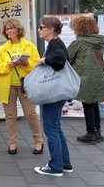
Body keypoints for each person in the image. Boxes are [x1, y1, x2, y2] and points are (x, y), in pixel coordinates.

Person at [0, 19, 43, 155]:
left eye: (12, 28)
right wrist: (8, 65)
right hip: (7, 87)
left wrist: (26, 64)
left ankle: (38, 141)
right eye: (7, 29)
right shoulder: (2, 49)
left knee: (31, 114)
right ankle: (12, 143)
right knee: (10, 116)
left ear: (18, 29)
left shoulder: (29, 46)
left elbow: (37, 64)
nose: (10, 31)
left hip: (25, 84)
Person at [34, 17, 73, 177]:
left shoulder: (55, 44)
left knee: (50, 129)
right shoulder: (56, 43)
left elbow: (60, 59)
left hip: (53, 93)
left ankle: (55, 166)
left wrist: (43, 60)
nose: (39, 30)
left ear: (51, 30)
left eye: (41, 27)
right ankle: (64, 164)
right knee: (56, 128)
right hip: (58, 92)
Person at [67, 16, 104, 144]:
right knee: (94, 104)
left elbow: (67, 57)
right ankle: (98, 132)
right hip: (98, 77)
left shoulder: (78, 43)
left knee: (88, 104)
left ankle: (90, 133)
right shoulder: (99, 41)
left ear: (78, 28)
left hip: (85, 77)